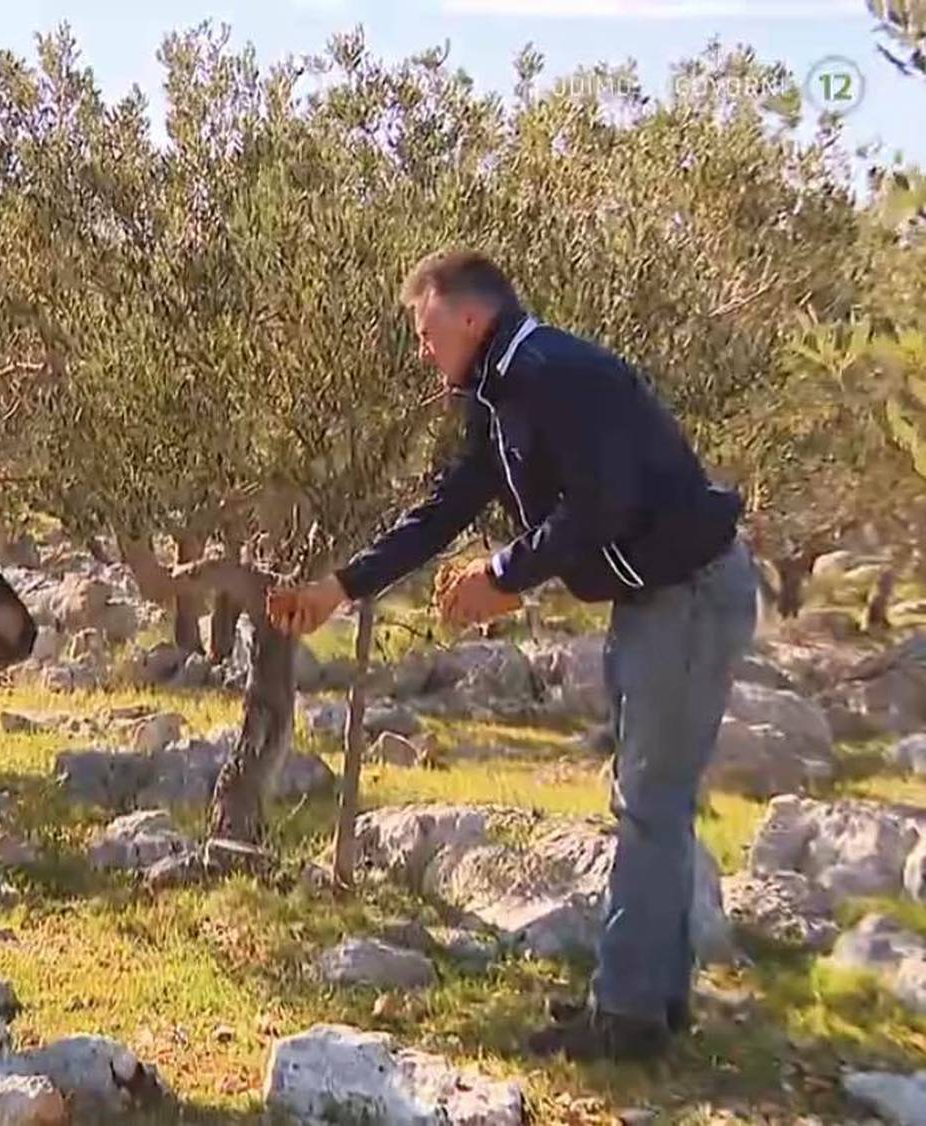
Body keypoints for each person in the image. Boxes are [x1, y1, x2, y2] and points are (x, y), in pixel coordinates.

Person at [268, 248, 758, 1062]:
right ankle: (649, 1003)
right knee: (648, 801)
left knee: (649, 803)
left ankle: (629, 1017)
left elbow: (606, 501)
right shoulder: (500, 397)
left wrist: (506, 576)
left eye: (426, 331)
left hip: (692, 594)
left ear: (469, 315)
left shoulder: (549, 373)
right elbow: (449, 507)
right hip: (655, 600)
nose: (423, 351)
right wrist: (340, 588)